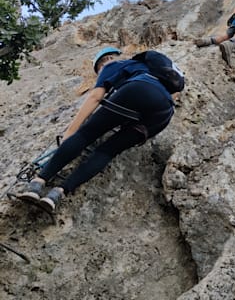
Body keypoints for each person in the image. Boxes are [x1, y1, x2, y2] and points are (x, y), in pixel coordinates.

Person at [18, 47, 176, 212]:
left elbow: (95, 97)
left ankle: (37, 183)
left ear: (106, 60)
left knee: (85, 135)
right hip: (163, 113)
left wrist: (71, 132)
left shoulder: (112, 65)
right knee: (108, 151)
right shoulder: (150, 69)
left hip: (138, 89)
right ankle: (58, 193)